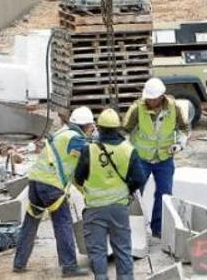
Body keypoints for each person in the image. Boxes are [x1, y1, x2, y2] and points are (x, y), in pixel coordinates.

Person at [12, 107, 96, 276]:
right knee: (63, 224)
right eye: (90, 128)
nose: (91, 131)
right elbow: (94, 155)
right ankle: (69, 267)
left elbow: (71, 172)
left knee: (31, 223)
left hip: (36, 182)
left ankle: (19, 263)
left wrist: (86, 192)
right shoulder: (76, 139)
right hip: (51, 186)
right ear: (85, 126)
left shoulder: (62, 133)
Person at [74, 109, 147, 280]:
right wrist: (127, 191)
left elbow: (78, 177)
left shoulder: (89, 150)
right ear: (117, 128)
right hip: (119, 208)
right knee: (123, 249)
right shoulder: (128, 150)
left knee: (97, 251)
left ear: (99, 127)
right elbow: (139, 178)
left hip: (94, 208)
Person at [122, 77, 188, 238]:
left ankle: (158, 228)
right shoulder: (137, 109)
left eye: (153, 98)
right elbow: (124, 132)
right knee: (134, 194)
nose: (150, 101)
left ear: (161, 96)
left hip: (164, 159)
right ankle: (131, 228)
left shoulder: (174, 108)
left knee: (164, 194)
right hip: (141, 160)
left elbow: (184, 129)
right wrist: (127, 153)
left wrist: (179, 145)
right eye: (148, 98)